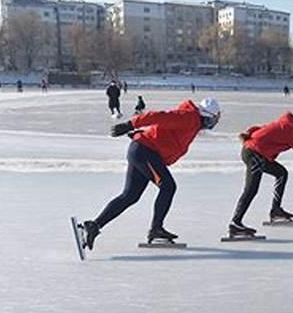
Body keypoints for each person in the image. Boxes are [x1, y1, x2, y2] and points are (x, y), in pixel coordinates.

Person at [80, 98, 221, 250]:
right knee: (168, 187)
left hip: (142, 150)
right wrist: (130, 125)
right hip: (145, 152)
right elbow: (158, 116)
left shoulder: (193, 122)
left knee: (130, 196)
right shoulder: (189, 118)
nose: (214, 123)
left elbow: (164, 130)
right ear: (206, 116)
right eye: (214, 119)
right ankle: (156, 229)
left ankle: (94, 226)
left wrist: (142, 133)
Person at [229, 111, 293, 236]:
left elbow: (260, 129)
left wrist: (250, 134)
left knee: (281, 173)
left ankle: (276, 210)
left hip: (254, 152)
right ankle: (235, 223)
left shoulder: (285, 122)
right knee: (251, 190)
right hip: (255, 155)